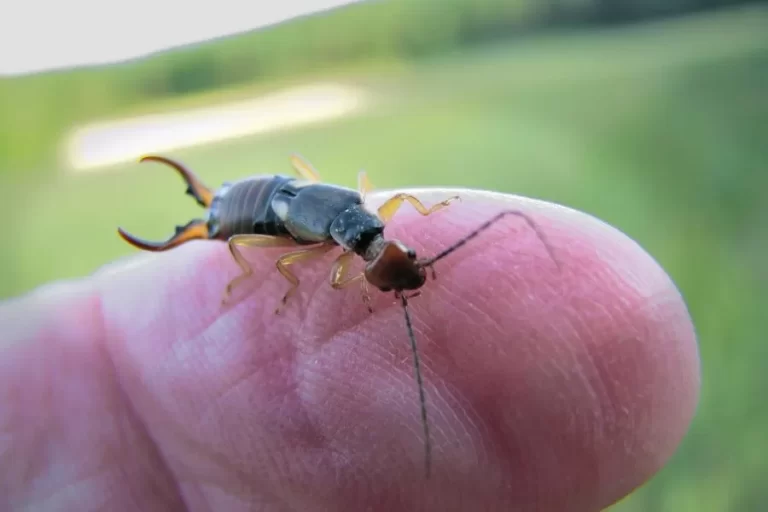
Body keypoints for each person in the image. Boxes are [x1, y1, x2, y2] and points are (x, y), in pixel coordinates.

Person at [0, 190, 700, 511]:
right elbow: (278, 263)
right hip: (256, 213)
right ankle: (200, 215)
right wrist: (274, 287)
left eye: (394, 256)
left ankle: (199, 212)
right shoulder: (348, 245)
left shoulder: (368, 227)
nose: (390, 259)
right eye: (391, 260)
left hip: (284, 195)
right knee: (262, 257)